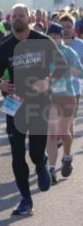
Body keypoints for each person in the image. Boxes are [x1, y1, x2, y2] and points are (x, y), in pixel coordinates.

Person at [0, 4, 69, 215]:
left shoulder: (43, 42)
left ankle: (41, 162)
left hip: (39, 105)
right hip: (14, 104)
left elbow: (61, 67)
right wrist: (1, 84)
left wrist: (49, 82)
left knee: (34, 152)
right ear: (10, 19)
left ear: (28, 17)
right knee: (17, 154)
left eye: (21, 15)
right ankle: (25, 199)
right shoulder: (5, 45)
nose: (17, 19)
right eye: (14, 15)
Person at [45, 23, 83, 182]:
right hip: (50, 98)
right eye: (51, 37)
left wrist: (69, 70)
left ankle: (67, 157)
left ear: (61, 37)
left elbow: (81, 73)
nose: (54, 39)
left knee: (63, 133)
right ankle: (52, 169)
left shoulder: (69, 52)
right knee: (52, 134)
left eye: (57, 36)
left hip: (67, 96)